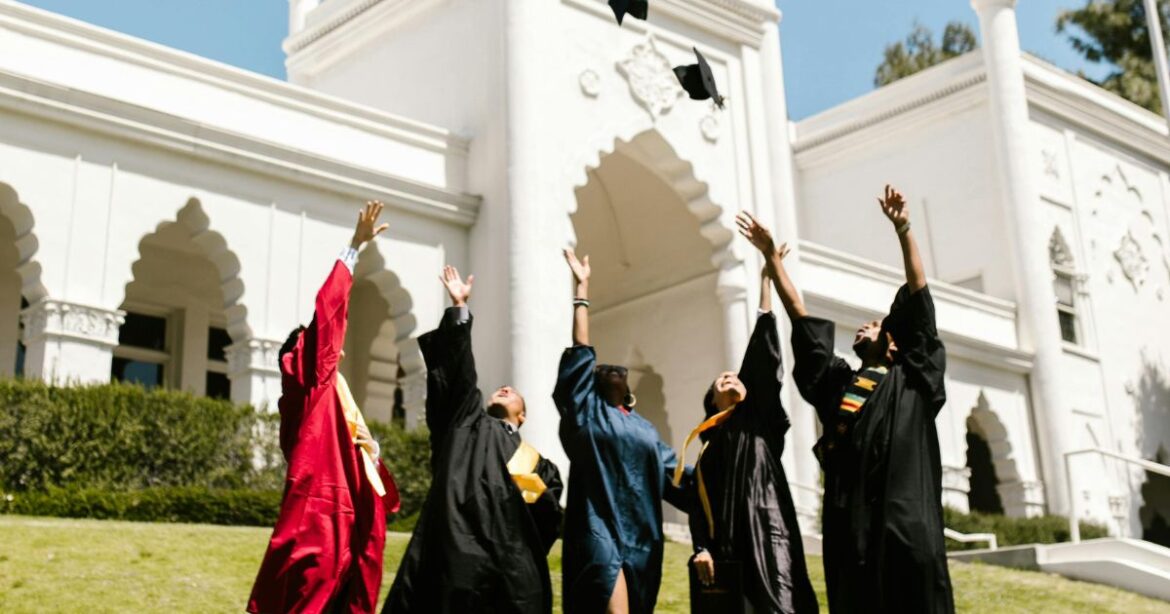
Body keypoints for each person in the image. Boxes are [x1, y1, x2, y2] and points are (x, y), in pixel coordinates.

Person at [737, 185, 953, 614]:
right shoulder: (839, 383)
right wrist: (771, 259)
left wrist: (903, 228)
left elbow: (919, 292)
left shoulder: (915, 378)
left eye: (873, 325)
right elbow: (800, 315)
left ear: (893, 344)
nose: (863, 327)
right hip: (851, 520)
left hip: (906, 520)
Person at [248, 201, 401, 614]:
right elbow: (327, 318)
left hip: (345, 517)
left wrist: (372, 451)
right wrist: (353, 247)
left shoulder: (324, 402)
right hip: (321, 521)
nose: (337, 349)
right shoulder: (308, 385)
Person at [383, 265, 564, 614]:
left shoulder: (537, 464)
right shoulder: (465, 422)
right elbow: (460, 373)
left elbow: (546, 518)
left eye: (513, 394)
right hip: (453, 556)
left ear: (522, 417)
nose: (505, 389)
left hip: (508, 570)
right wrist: (460, 309)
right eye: (500, 389)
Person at [554, 248, 691, 614]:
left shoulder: (644, 429)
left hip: (642, 535)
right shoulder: (586, 413)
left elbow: (678, 477)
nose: (612, 369)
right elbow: (581, 353)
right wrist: (581, 292)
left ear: (629, 391)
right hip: (598, 526)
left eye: (620, 370)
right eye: (603, 370)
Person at [676, 262, 818, 614]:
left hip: (771, 532)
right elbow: (698, 508)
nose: (733, 379)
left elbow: (763, 360)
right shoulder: (706, 451)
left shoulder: (759, 421)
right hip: (729, 547)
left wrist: (765, 280)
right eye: (723, 380)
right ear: (712, 401)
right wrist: (701, 548)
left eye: (737, 377)